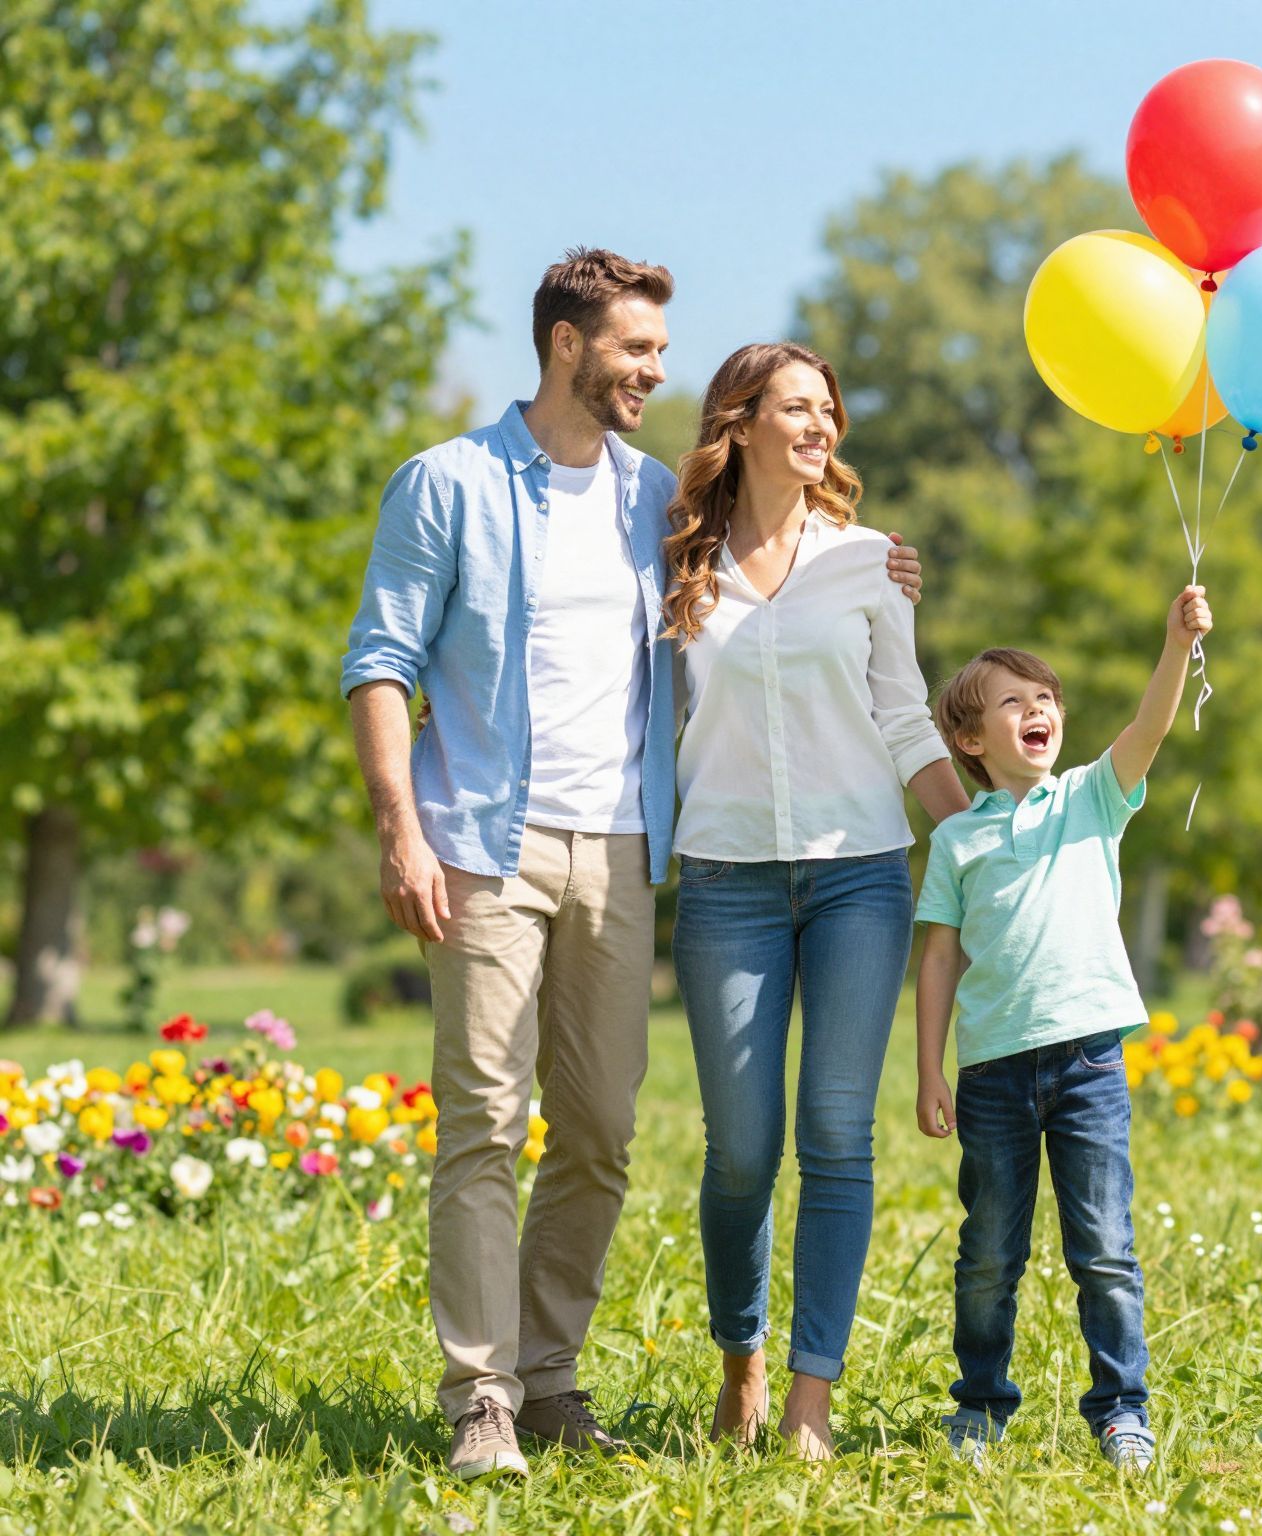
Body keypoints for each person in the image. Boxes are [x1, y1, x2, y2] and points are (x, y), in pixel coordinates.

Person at [340, 255, 921, 1481]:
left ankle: (548, 1377)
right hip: (482, 842)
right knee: (484, 1122)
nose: (657, 371)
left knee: (601, 1130)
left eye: (661, 351)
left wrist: (870, 564)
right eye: (636, 350)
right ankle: (482, 1397)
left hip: (622, 847)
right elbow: (380, 660)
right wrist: (400, 826)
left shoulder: (656, 501)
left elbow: (769, 576)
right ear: (567, 345)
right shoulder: (446, 484)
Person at [663, 341, 973, 1460]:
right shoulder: (678, 564)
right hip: (725, 878)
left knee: (837, 1136)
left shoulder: (870, 563)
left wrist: (976, 837)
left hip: (858, 875)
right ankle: (739, 1360)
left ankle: (810, 1398)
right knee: (742, 1150)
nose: (820, 427)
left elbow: (902, 714)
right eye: (796, 408)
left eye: (829, 411)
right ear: (739, 422)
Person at [913, 584, 1215, 1473]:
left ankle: (1123, 1411)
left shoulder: (1090, 799)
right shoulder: (958, 841)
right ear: (972, 740)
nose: (1036, 708)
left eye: (1044, 697)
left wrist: (1176, 644)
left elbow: (1151, 727)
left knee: (1106, 1251)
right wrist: (929, 1070)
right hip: (993, 1074)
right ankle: (979, 1407)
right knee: (987, 1255)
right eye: (1012, 701)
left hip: (1088, 1063)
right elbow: (939, 958)